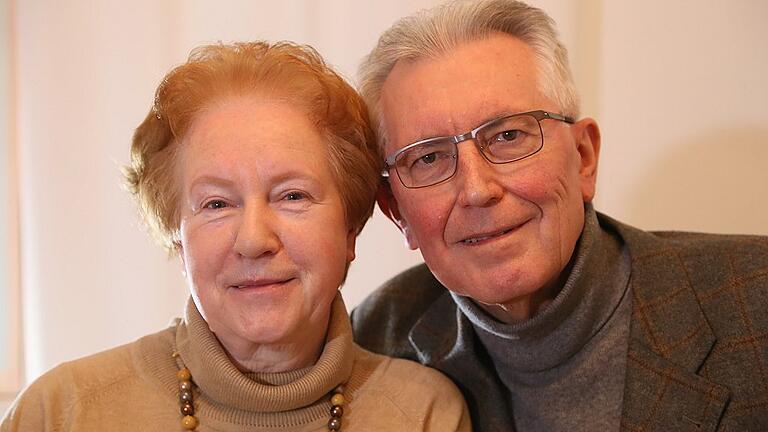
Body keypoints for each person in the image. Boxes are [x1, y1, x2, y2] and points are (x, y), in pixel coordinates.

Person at [1, 41, 470, 432]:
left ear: (350, 228)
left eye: (292, 196)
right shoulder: (62, 411)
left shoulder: (424, 414)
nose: (253, 240)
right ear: (180, 243)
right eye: (217, 204)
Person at [350, 1, 768, 431]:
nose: (477, 190)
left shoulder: (756, 300)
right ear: (396, 210)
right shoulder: (377, 340)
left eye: (509, 135)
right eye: (430, 157)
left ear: (584, 158)